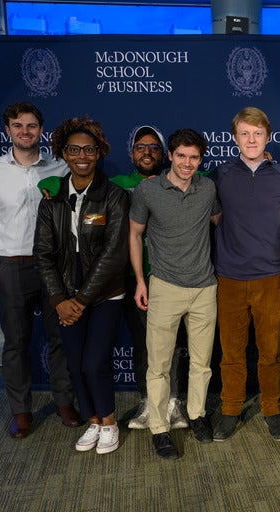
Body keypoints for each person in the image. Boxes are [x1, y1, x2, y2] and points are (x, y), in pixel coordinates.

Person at [39, 125, 188, 431]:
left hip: (170, 276)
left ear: (165, 154)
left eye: (154, 148)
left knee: (169, 345)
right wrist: (52, 181)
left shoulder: (176, 180)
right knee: (141, 345)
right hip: (133, 279)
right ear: (131, 153)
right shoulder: (119, 186)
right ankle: (149, 403)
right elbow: (59, 182)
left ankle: (172, 402)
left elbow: (206, 173)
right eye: (140, 147)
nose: (147, 153)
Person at [0, 101, 80, 439]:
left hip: (54, 267)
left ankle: (64, 402)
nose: (25, 131)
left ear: (41, 130)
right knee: (15, 343)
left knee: (60, 337)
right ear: (8, 131)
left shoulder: (60, 169)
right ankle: (21, 411)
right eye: (18, 126)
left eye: (31, 126)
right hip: (12, 266)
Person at [34, 115, 129, 455]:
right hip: (65, 294)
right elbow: (42, 253)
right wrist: (60, 298)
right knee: (74, 363)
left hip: (105, 294)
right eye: (74, 149)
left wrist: (82, 299)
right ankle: (92, 421)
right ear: (63, 153)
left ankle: (109, 421)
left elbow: (114, 253)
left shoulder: (114, 196)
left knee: (94, 363)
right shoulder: (52, 199)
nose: (82, 155)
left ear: (98, 152)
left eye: (89, 149)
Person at [210, 107, 280, 442]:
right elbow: (211, 214)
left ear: (268, 137)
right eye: (245, 133)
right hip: (230, 277)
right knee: (231, 352)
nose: (251, 140)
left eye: (257, 134)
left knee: (271, 351)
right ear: (234, 138)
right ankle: (231, 410)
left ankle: (270, 409)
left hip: (272, 277)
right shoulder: (219, 174)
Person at [129, 129, 220, 459]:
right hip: (164, 286)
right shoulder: (148, 190)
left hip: (204, 288)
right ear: (170, 155)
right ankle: (159, 427)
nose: (187, 163)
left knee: (202, 363)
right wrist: (141, 280)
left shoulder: (208, 187)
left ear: (200, 159)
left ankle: (196, 416)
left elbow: (222, 221)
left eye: (194, 157)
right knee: (159, 365)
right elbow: (135, 234)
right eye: (181, 155)